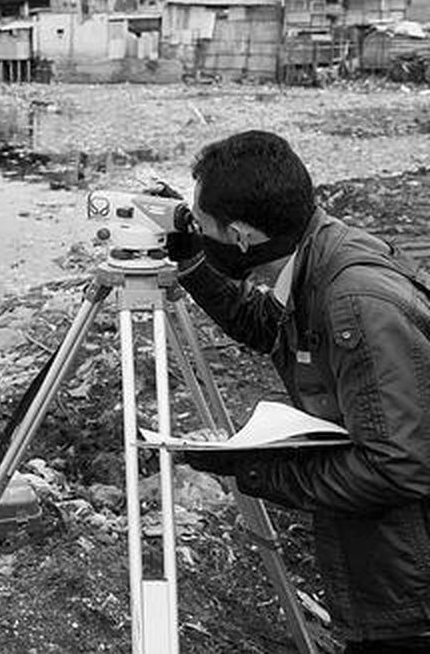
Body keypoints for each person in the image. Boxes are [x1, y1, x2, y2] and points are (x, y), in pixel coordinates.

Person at [169, 130, 430, 652]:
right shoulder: (318, 252)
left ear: (241, 237)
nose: (200, 230)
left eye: (205, 226)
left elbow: (398, 465)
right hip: (388, 561)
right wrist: (194, 261)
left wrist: (255, 468)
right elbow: (267, 325)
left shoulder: (355, 302)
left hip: (410, 588)